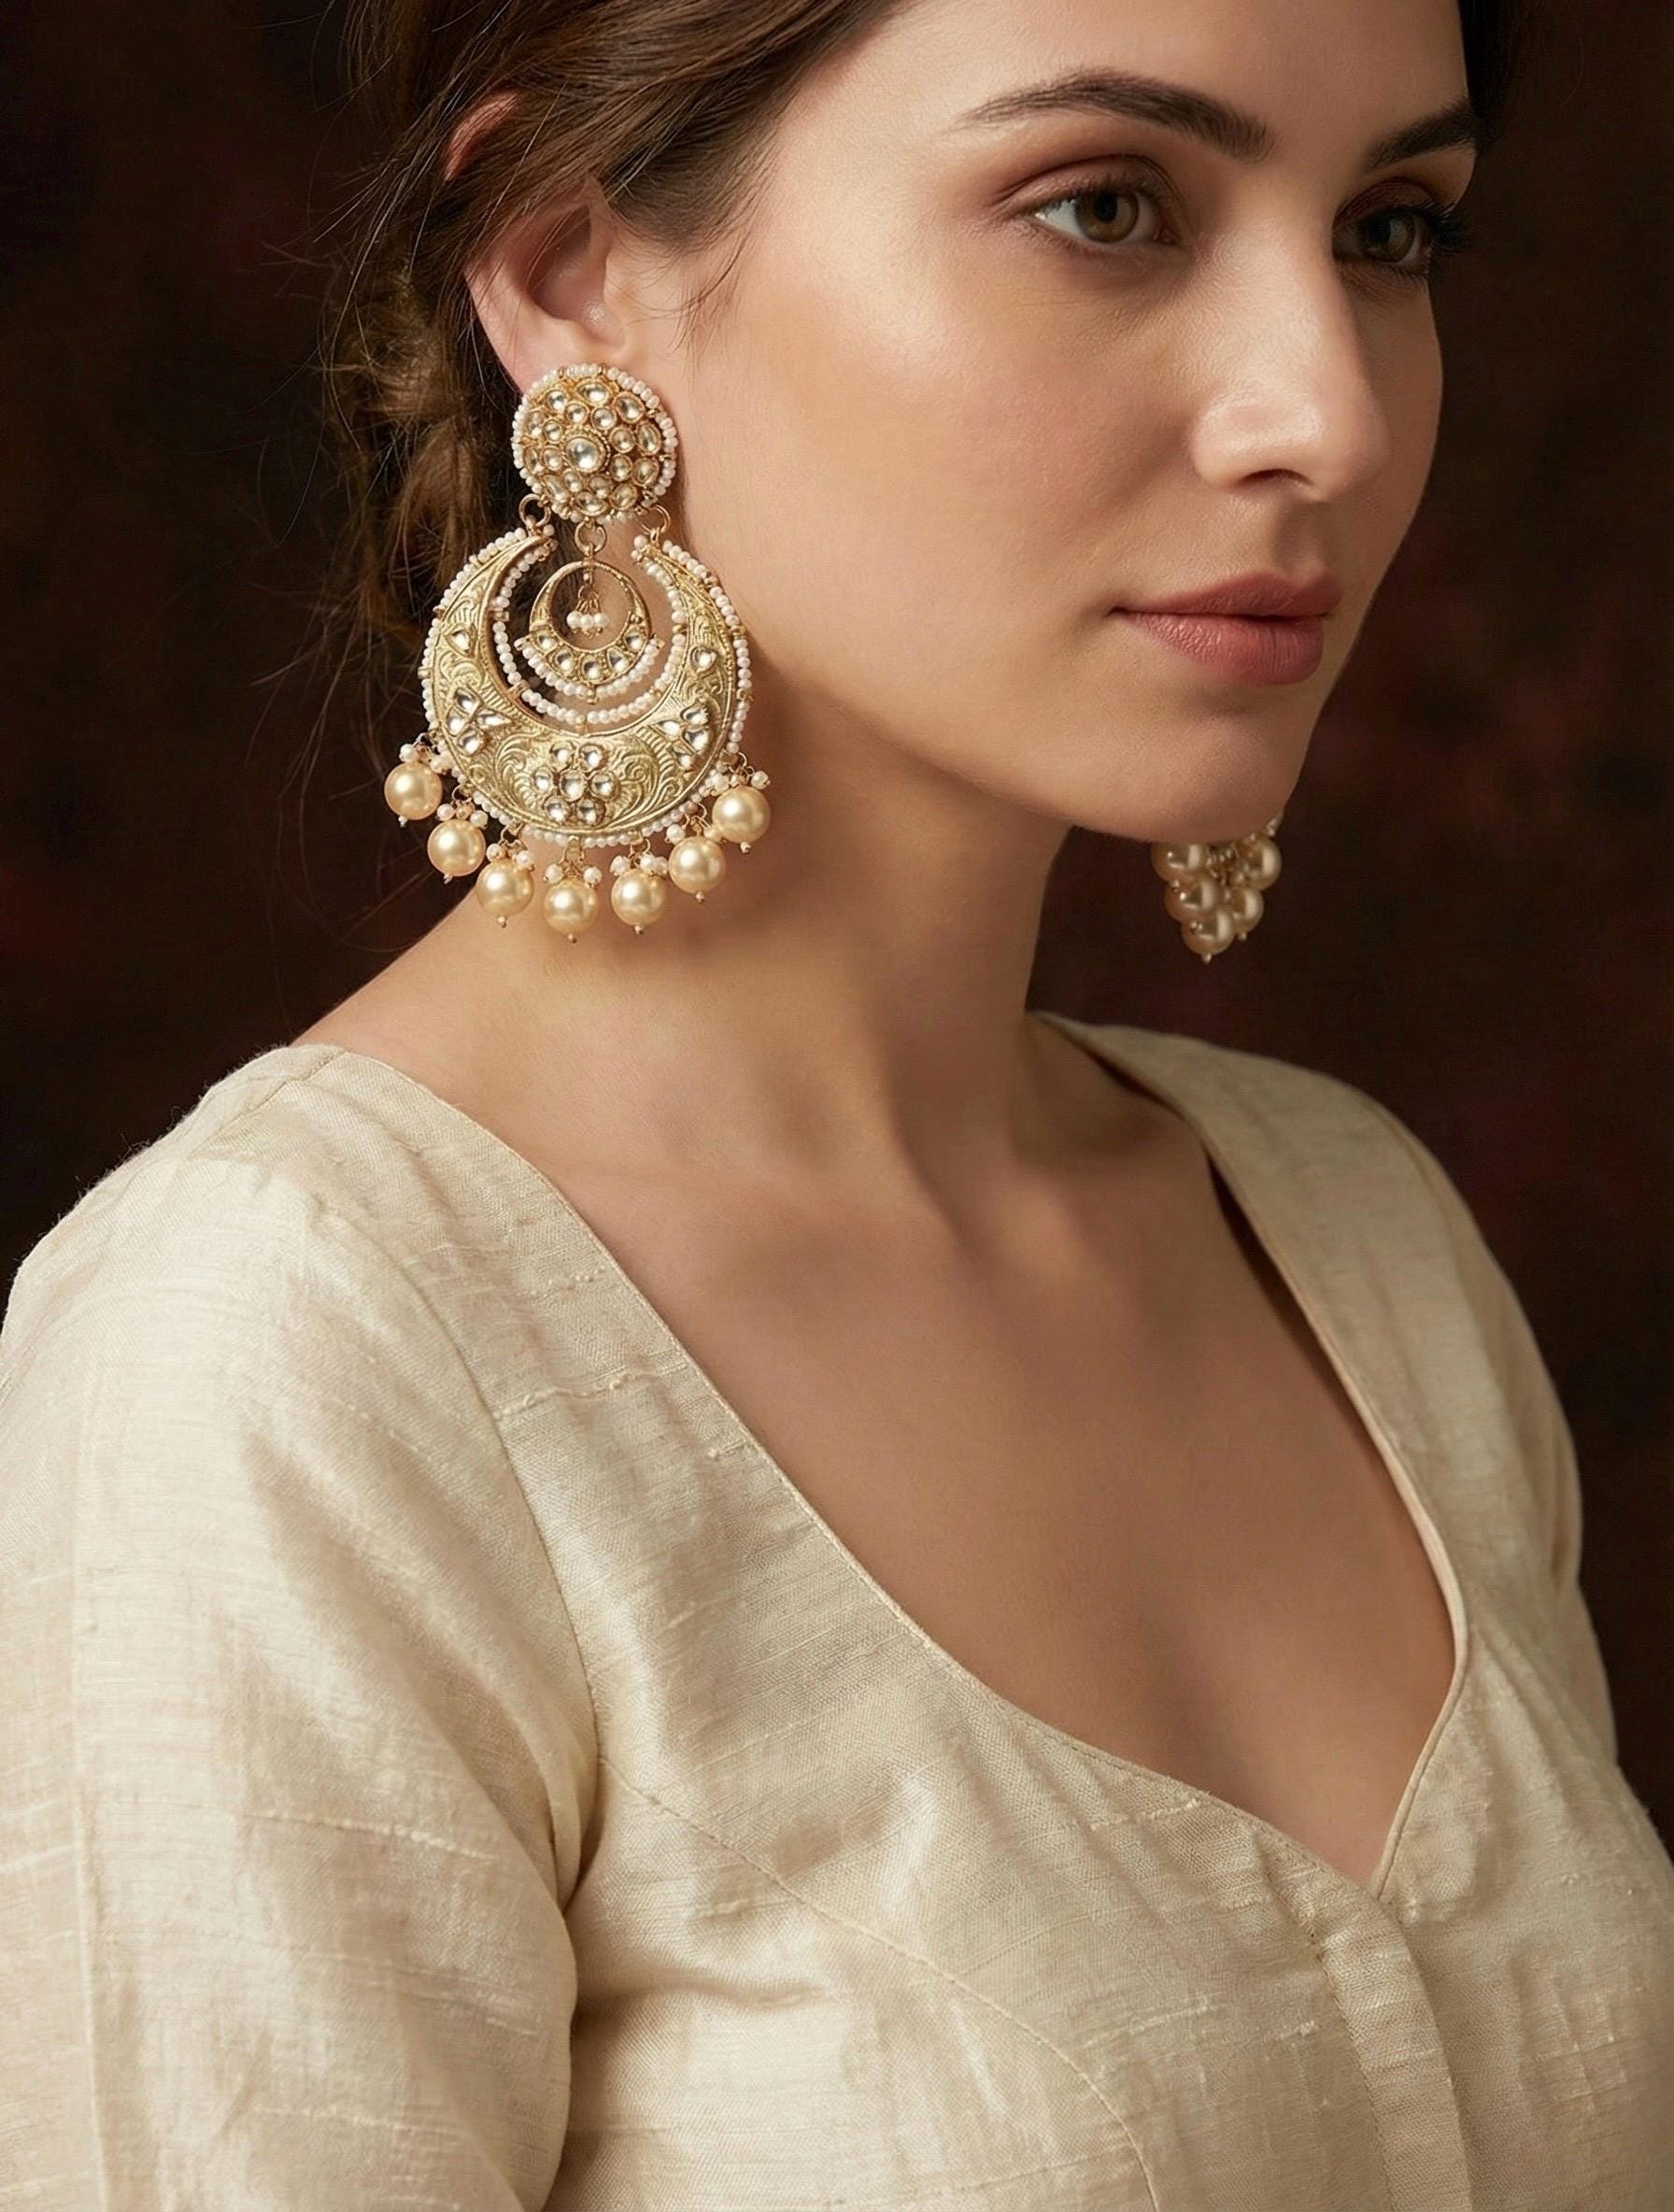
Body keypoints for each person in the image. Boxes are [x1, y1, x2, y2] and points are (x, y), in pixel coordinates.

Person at [4, 0, 1672, 2203]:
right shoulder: (293, 1351)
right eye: (1105, 206)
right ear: (572, 268)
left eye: (1387, 230)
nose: (1325, 415)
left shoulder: (1354, 1242)